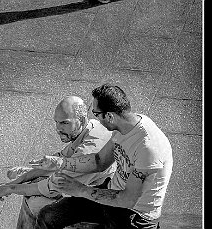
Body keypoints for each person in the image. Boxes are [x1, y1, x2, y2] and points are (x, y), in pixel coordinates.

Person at [30, 83, 173, 229]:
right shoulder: (124, 127)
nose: (96, 119)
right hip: (110, 194)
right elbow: (99, 161)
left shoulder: (148, 148)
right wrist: (60, 162)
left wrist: (80, 190)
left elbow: (128, 199)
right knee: (48, 217)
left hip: (133, 217)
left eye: (96, 114)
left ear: (109, 116)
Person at [0, 96, 116, 227]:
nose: (58, 128)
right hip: (86, 186)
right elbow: (58, 162)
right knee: (32, 185)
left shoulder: (89, 148)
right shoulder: (89, 127)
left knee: (34, 203)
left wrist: (10, 188)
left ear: (81, 120)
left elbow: (50, 187)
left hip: (100, 209)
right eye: (56, 122)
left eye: (64, 123)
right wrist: (16, 181)